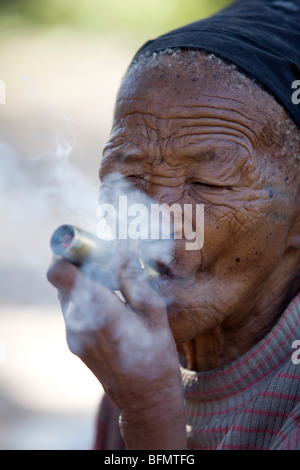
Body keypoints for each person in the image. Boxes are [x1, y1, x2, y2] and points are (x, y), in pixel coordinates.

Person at [47, 0, 300, 450]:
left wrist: (149, 413)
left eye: (205, 183)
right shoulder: (142, 360)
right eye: (129, 180)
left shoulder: (145, 385)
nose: (152, 220)